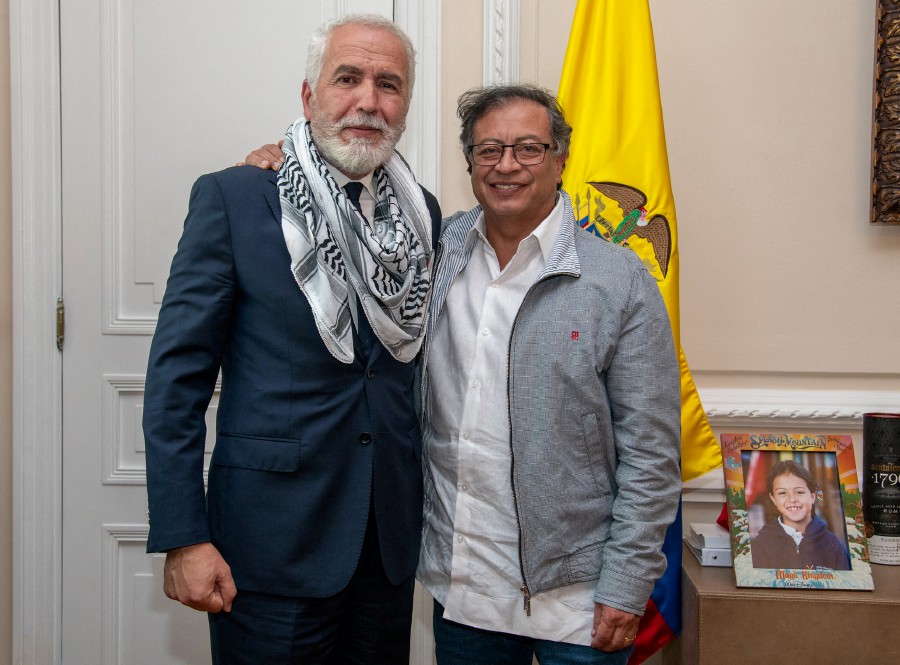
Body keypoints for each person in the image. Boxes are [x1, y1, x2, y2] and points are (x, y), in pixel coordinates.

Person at [243, 83, 682, 664]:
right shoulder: (429, 252)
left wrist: (628, 582)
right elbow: (336, 230)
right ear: (470, 161)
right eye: (487, 150)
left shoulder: (618, 281)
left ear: (561, 158)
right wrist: (284, 164)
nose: (506, 166)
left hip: (579, 597)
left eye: (528, 148)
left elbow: (651, 451)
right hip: (463, 590)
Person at [143, 14, 441, 664]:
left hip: (385, 550)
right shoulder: (237, 198)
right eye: (348, 78)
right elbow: (176, 382)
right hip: (269, 546)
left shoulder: (423, 215)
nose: (369, 100)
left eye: (389, 84)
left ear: (406, 105)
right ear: (310, 97)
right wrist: (182, 536)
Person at [751, 460, 850, 570]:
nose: (792, 499)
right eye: (782, 493)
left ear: (813, 496)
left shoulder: (834, 544)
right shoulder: (762, 544)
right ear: (773, 499)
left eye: (799, 492)